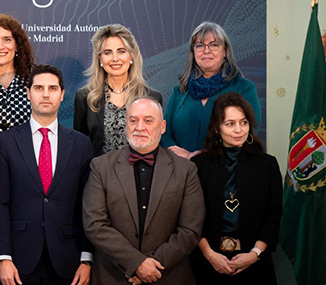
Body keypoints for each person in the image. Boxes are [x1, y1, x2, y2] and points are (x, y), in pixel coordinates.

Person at [83, 97, 204, 285]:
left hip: (168, 276)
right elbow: (94, 224)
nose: (139, 127)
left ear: (162, 127)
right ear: (126, 125)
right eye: (133, 120)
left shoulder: (186, 170)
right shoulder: (100, 167)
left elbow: (190, 229)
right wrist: (136, 263)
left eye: (148, 121)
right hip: (114, 277)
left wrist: (152, 266)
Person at [0, 65, 93, 285]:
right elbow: (0, 203)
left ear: (62, 94)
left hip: (69, 259)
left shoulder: (81, 144)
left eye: (52, 88)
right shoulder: (6, 142)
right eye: (39, 88)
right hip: (18, 260)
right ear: (28, 93)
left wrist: (86, 258)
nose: (46, 94)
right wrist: (3, 257)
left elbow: (87, 205)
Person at [191, 92, 282, 285]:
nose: (239, 130)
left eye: (244, 122)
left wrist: (255, 254)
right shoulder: (199, 165)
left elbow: (273, 216)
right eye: (230, 124)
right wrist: (210, 255)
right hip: (209, 263)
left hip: (256, 263)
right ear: (217, 128)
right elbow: (190, 218)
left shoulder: (267, 165)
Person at [161, 22, 261, 159]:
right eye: (200, 45)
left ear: (225, 51)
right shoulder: (180, 91)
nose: (206, 51)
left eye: (214, 45)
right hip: (181, 166)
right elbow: (165, 133)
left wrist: (200, 157)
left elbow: (249, 131)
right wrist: (180, 154)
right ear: (193, 52)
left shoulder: (244, 88)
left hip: (225, 167)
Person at [74, 24, 162, 157]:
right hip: (97, 170)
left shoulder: (152, 97)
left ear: (131, 56)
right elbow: (80, 147)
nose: (115, 58)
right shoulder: (85, 97)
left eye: (121, 51)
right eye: (107, 52)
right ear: (100, 59)